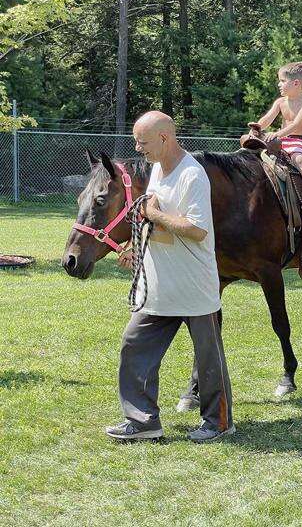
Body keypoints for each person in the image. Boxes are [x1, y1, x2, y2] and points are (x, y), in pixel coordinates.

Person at [106, 111, 234, 443]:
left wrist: (154, 213)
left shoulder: (193, 175)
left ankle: (218, 423)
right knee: (134, 345)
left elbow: (197, 230)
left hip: (194, 286)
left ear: (164, 138)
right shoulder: (157, 169)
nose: (138, 148)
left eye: (143, 142)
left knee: (209, 361)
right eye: (136, 141)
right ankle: (142, 421)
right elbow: (157, 221)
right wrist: (137, 243)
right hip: (160, 287)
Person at [243, 61, 302, 209]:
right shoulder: (280, 102)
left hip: (297, 140)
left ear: (296, 83)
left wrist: (277, 134)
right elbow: (267, 118)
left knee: (298, 159)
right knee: (254, 150)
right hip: (281, 139)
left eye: (283, 81)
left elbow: (295, 125)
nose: (279, 84)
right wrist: (259, 127)